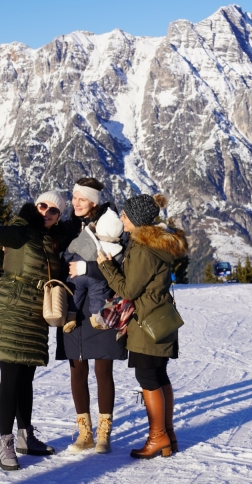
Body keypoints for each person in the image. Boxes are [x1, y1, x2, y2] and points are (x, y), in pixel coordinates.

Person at [0, 190, 66, 471]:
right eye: (43, 206)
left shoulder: (50, 238)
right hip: (12, 311)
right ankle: (6, 444)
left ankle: (26, 436)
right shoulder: (22, 227)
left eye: (54, 211)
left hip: (36, 313)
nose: (46, 212)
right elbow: (1, 235)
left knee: (27, 377)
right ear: (34, 205)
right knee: (11, 378)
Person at [97, 193, 188, 459]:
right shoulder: (156, 245)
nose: (121, 218)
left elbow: (129, 289)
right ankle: (167, 434)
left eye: (125, 215)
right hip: (160, 320)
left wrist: (106, 267)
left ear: (137, 219)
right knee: (159, 376)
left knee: (148, 378)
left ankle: (158, 437)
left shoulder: (143, 248)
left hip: (145, 323)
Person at [56, 178, 127, 455]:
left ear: (94, 202)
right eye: (73, 197)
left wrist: (86, 269)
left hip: (102, 304)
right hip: (74, 305)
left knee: (103, 370)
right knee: (77, 369)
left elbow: (117, 267)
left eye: (81, 199)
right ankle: (85, 432)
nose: (75, 203)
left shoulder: (111, 227)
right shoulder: (69, 227)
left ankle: (104, 433)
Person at [63, 208, 125, 330]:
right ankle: (97, 317)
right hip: (98, 278)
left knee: (74, 295)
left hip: (76, 275)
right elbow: (117, 266)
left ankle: (71, 316)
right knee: (99, 294)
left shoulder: (84, 238)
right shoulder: (117, 249)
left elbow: (70, 251)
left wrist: (67, 262)